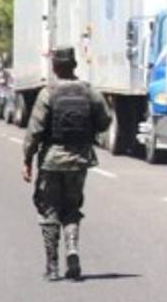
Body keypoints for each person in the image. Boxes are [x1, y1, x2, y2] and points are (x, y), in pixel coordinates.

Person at [22, 47, 112, 281]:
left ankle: (52, 267)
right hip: (80, 160)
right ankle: (72, 248)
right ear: (74, 66)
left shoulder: (48, 93)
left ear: (54, 67)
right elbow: (104, 121)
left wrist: (27, 159)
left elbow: (35, 130)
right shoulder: (89, 91)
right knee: (72, 208)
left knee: (49, 210)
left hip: (52, 161)